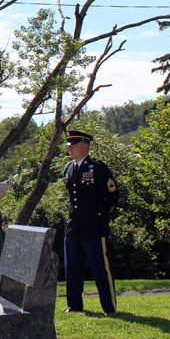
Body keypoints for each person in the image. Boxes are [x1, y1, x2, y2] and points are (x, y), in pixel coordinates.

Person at [61, 129, 119, 314]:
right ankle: (74, 305)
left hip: (94, 228)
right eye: (69, 146)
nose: (69, 149)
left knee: (101, 270)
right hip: (74, 228)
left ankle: (109, 308)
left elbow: (112, 196)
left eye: (73, 146)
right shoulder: (69, 168)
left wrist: (101, 217)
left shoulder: (97, 168)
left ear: (84, 146)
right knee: (72, 269)